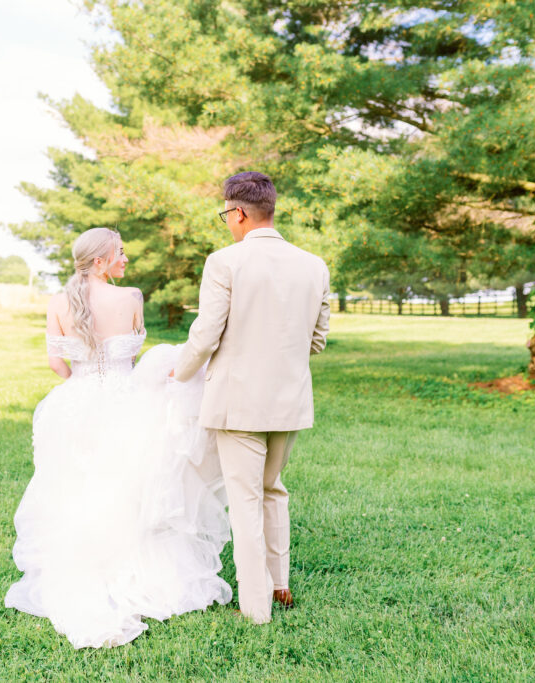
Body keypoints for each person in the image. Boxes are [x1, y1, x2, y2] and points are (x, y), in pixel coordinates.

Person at [4, 227, 232, 649]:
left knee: (76, 487)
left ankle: (83, 562)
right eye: (120, 253)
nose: (126, 260)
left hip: (72, 404)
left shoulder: (57, 302)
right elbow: (131, 357)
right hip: (126, 400)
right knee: (129, 487)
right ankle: (132, 569)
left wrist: (83, 385)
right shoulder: (130, 298)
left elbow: (57, 364)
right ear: (101, 261)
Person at [174, 171, 331, 624]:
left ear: (238, 212)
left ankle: (256, 606)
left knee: (244, 499)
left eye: (226, 213)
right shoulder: (314, 265)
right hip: (289, 399)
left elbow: (205, 336)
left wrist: (178, 371)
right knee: (272, 490)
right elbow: (317, 340)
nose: (226, 222)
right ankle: (279, 585)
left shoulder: (224, 262)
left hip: (238, 400)